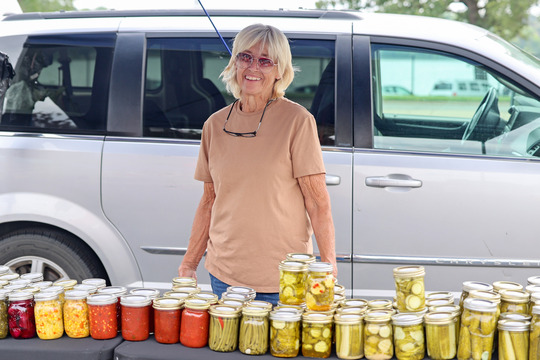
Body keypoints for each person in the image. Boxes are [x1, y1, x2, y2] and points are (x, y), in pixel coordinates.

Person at [178, 23, 336, 305]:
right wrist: (189, 265)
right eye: (245, 57)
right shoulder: (213, 125)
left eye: (265, 61)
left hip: (284, 280)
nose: (253, 67)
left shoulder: (297, 121)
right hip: (223, 277)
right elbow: (208, 201)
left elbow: (317, 202)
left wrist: (328, 267)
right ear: (234, 62)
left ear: (279, 71)